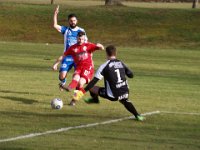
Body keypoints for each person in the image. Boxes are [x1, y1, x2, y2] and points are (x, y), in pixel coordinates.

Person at [72, 45, 144, 121]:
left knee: (91, 87)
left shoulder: (104, 66)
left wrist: (82, 92)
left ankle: (95, 99)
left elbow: (93, 82)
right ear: (116, 53)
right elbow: (131, 75)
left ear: (106, 54)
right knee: (124, 100)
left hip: (112, 95)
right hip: (125, 91)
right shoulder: (121, 63)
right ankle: (138, 115)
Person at [60, 31, 104, 106]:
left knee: (80, 83)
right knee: (75, 78)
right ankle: (69, 88)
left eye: (82, 39)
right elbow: (63, 55)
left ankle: (74, 100)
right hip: (79, 67)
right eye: (79, 39)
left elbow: (101, 48)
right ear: (77, 38)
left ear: (84, 39)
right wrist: (56, 63)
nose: (80, 40)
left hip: (88, 68)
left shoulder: (88, 45)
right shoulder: (73, 48)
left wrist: (100, 46)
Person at [52, 5, 87, 89]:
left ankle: (75, 93)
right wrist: (55, 14)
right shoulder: (66, 30)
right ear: (69, 21)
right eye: (71, 21)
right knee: (61, 76)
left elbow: (86, 43)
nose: (73, 22)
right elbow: (55, 25)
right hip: (67, 56)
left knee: (77, 78)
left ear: (77, 21)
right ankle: (63, 81)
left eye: (74, 20)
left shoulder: (81, 31)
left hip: (78, 58)